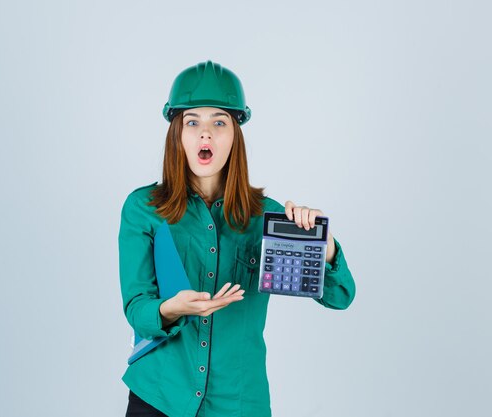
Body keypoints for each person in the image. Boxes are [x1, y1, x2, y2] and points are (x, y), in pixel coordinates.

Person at [119, 60, 356, 417]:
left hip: (239, 404)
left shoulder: (269, 217)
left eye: (219, 122)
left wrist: (324, 246)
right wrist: (173, 308)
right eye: (192, 122)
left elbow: (340, 297)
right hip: (159, 397)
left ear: (235, 135)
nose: (205, 134)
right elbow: (138, 309)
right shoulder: (143, 209)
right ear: (177, 134)